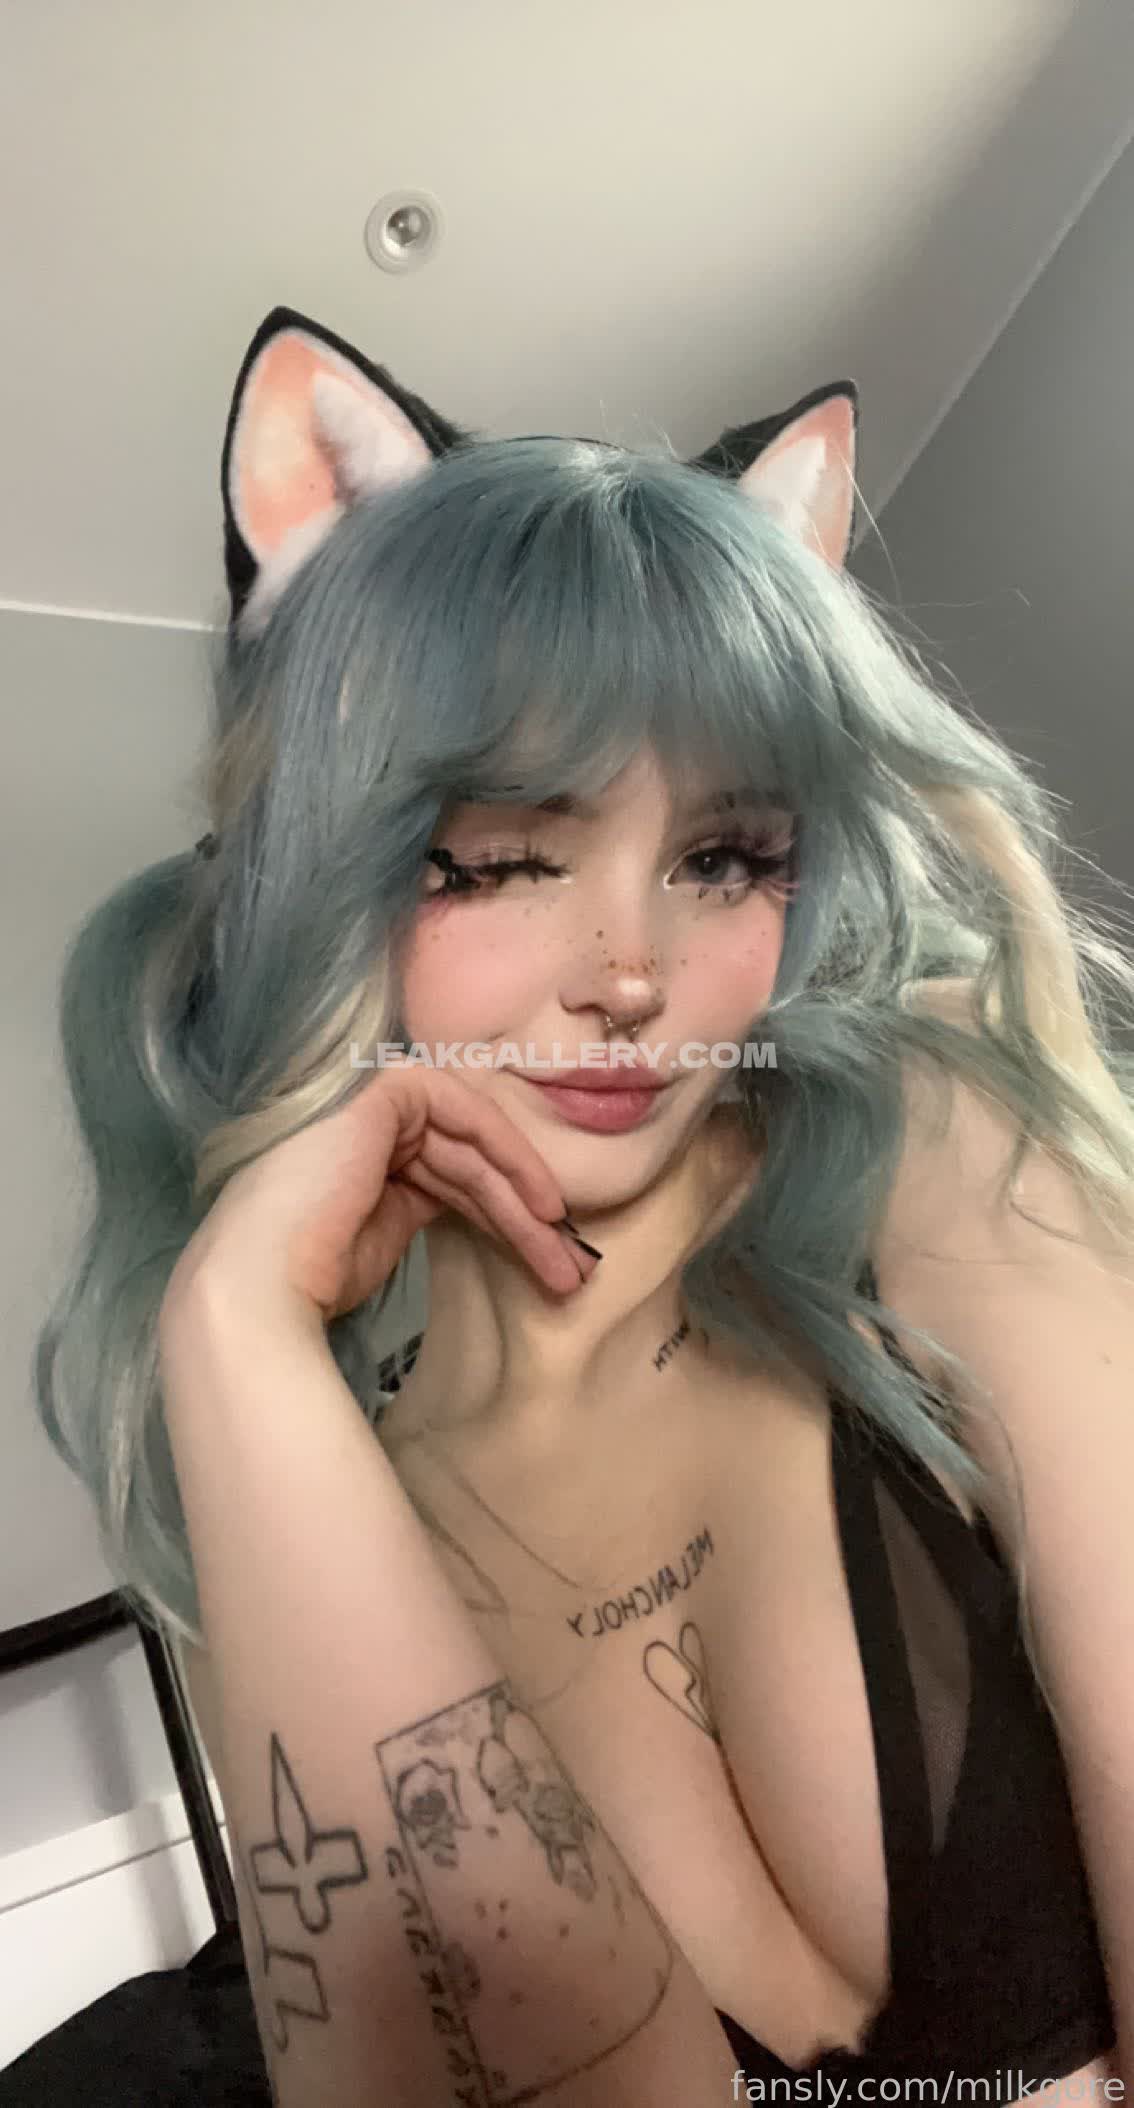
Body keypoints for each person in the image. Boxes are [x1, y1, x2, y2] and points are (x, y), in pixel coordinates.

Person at [33, 305, 1134, 2108]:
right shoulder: (289, 1479)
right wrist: (231, 1341)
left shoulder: (926, 1128)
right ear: (315, 871)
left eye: (725, 857)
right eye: (494, 858)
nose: (629, 971)